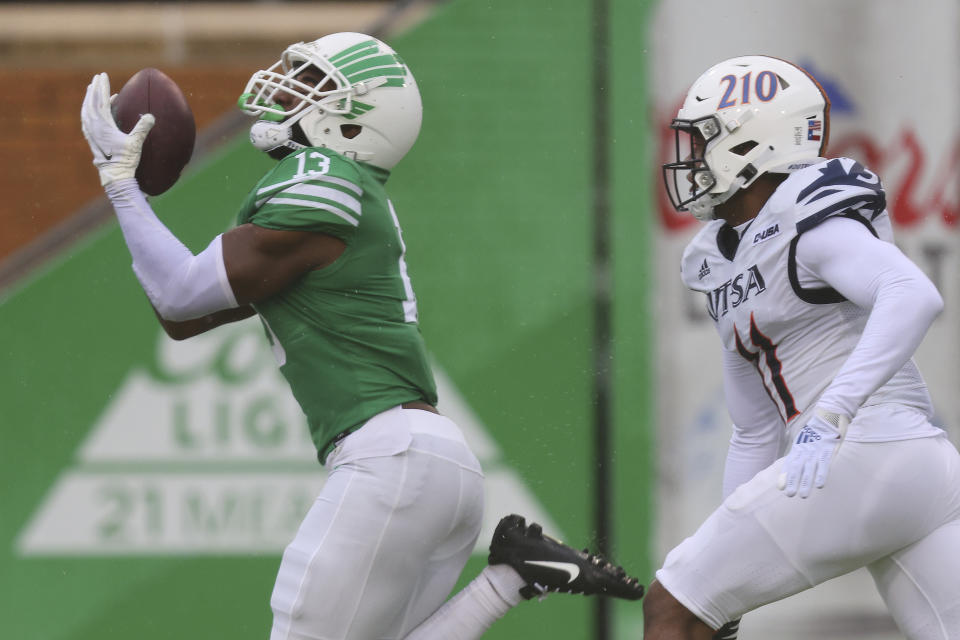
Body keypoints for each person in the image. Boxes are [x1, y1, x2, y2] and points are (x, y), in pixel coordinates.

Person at [80, 31, 643, 640]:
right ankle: (511, 577)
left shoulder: (320, 174)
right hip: (432, 465)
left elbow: (180, 292)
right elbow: (184, 316)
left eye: (317, 85)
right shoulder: (341, 198)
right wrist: (126, 191)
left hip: (389, 459)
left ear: (352, 123)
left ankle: (512, 574)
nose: (292, 91)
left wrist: (121, 183)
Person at [648, 54, 960, 640]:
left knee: (671, 607)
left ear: (749, 143)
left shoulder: (806, 215)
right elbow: (754, 430)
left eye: (702, 142)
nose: (688, 161)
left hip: (862, 447)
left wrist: (832, 414)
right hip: (913, 468)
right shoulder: (719, 256)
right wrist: (726, 560)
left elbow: (912, 294)